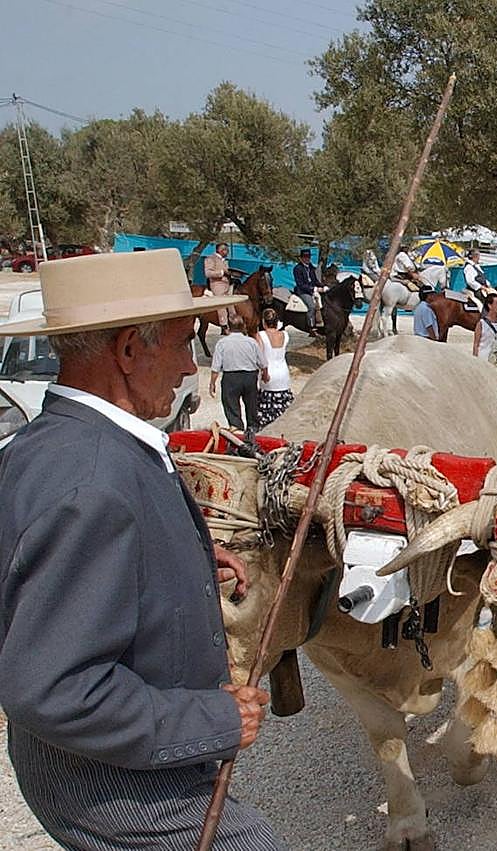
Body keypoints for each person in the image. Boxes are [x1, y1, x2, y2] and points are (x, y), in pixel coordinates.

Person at [0, 249, 280, 849]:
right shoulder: (93, 480)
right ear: (129, 351)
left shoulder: (48, 443)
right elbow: (55, 689)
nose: (188, 367)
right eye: (182, 343)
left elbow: (43, 568)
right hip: (115, 787)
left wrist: (186, 557)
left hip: (89, 761)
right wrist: (214, 720)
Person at [209, 314, 268, 433]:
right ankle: (253, 429)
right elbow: (263, 363)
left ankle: (237, 429)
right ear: (243, 327)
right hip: (250, 377)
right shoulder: (251, 342)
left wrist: (212, 383)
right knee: (251, 405)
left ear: (229, 328)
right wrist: (265, 375)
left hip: (231, 378)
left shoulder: (222, 343)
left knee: (231, 405)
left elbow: (216, 366)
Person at [255, 307, 293, 427]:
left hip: (269, 374)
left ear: (263, 322)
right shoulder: (285, 335)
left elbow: (260, 358)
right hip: (283, 373)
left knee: (266, 409)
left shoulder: (260, 335)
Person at [203, 242, 234, 334]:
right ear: (219, 250)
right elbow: (208, 273)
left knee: (232, 302)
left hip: (228, 284)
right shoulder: (210, 259)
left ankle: (234, 322)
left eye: (227, 249)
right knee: (221, 303)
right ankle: (224, 325)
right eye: (225, 249)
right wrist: (222, 273)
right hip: (217, 284)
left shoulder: (225, 260)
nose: (227, 251)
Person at [293, 248, 322, 333]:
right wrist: (313, 289)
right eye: (305, 257)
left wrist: (323, 286)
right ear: (301, 258)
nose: (307, 258)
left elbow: (315, 281)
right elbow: (300, 284)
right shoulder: (297, 268)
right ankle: (311, 326)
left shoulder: (311, 267)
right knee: (311, 306)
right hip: (302, 291)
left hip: (313, 290)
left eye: (308, 257)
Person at [473, 293, 497, 363]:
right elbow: (476, 344)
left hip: (496, 361)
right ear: (490, 306)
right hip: (483, 360)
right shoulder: (481, 324)